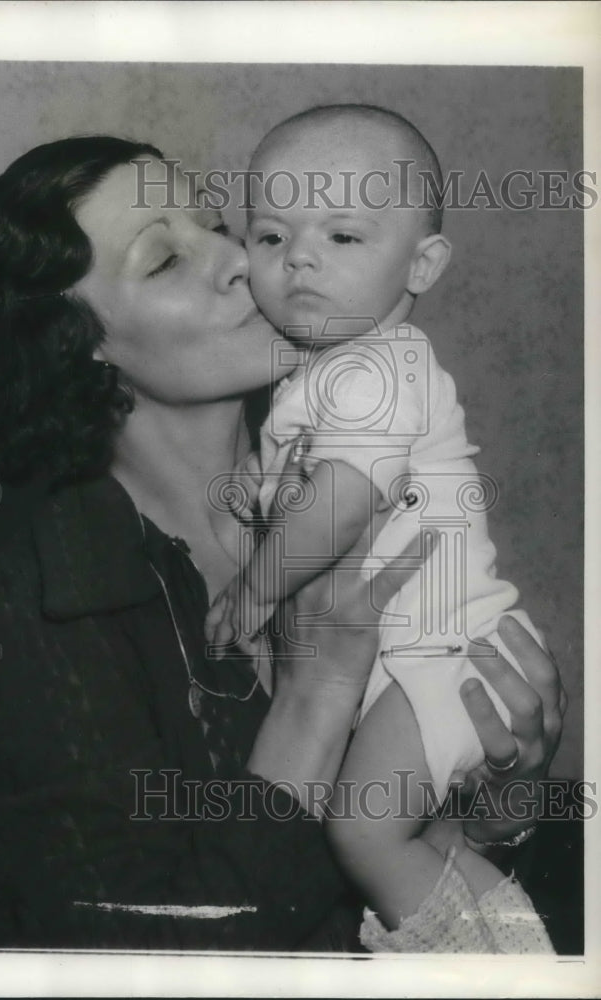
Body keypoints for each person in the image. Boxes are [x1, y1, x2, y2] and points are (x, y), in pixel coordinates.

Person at [0, 135, 565, 952]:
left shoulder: (362, 457)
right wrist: (315, 693)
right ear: (78, 345)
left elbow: (430, 885)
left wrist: (503, 809)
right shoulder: (16, 618)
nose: (241, 258)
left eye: (216, 224)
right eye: (165, 260)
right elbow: (144, 960)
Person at [204, 104, 554, 950]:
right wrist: (259, 487)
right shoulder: (323, 378)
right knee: (413, 839)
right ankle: (517, 952)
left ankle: (475, 970)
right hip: (428, 659)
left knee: (363, 831)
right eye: (270, 236)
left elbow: (341, 501)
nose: (300, 261)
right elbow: (304, 486)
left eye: (344, 237)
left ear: (422, 263)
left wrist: (252, 592)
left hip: (448, 651)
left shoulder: (379, 363)